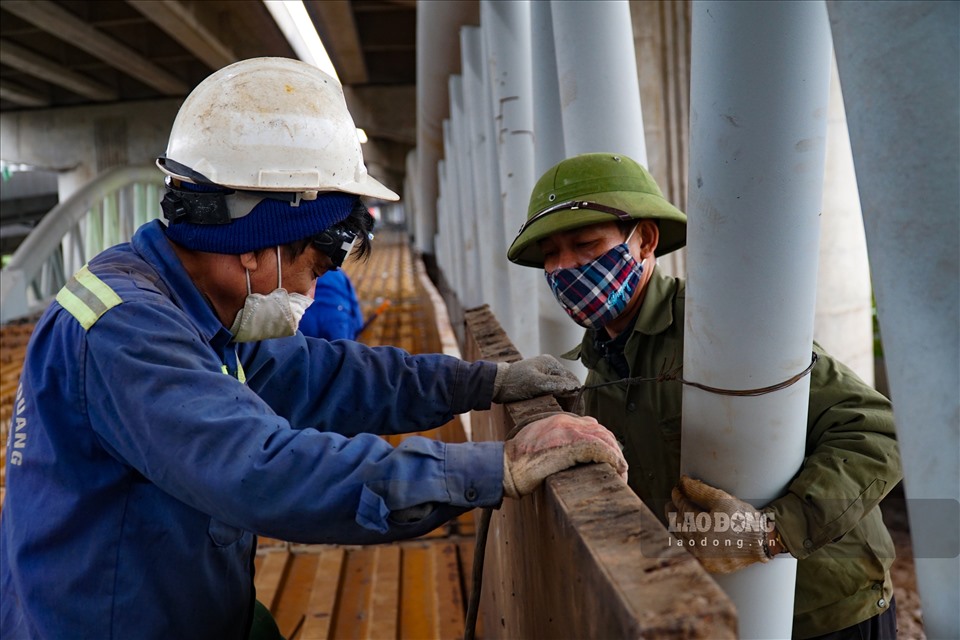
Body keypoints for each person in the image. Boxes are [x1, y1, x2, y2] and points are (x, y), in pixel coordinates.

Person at [0, 59, 628, 639]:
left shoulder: (191, 307)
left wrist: (483, 381)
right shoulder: (127, 332)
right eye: (321, 260)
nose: (316, 286)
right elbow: (265, 469)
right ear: (256, 244)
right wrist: (496, 468)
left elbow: (327, 375)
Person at [507, 152, 901, 639]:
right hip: (720, 607)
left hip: (824, 609)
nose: (565, 266)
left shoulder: (719, 328)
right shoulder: (601, 361)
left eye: (585, 243)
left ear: (645, 240)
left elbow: (874, 428)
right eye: (550, 253)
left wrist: (774, 530)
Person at [298, 269, 364, 341]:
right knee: (340, 350)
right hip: (337, 316)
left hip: (308, 316)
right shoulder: (340, 274)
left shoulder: (306, 270)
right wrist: (355, 331)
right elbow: (355, 306)